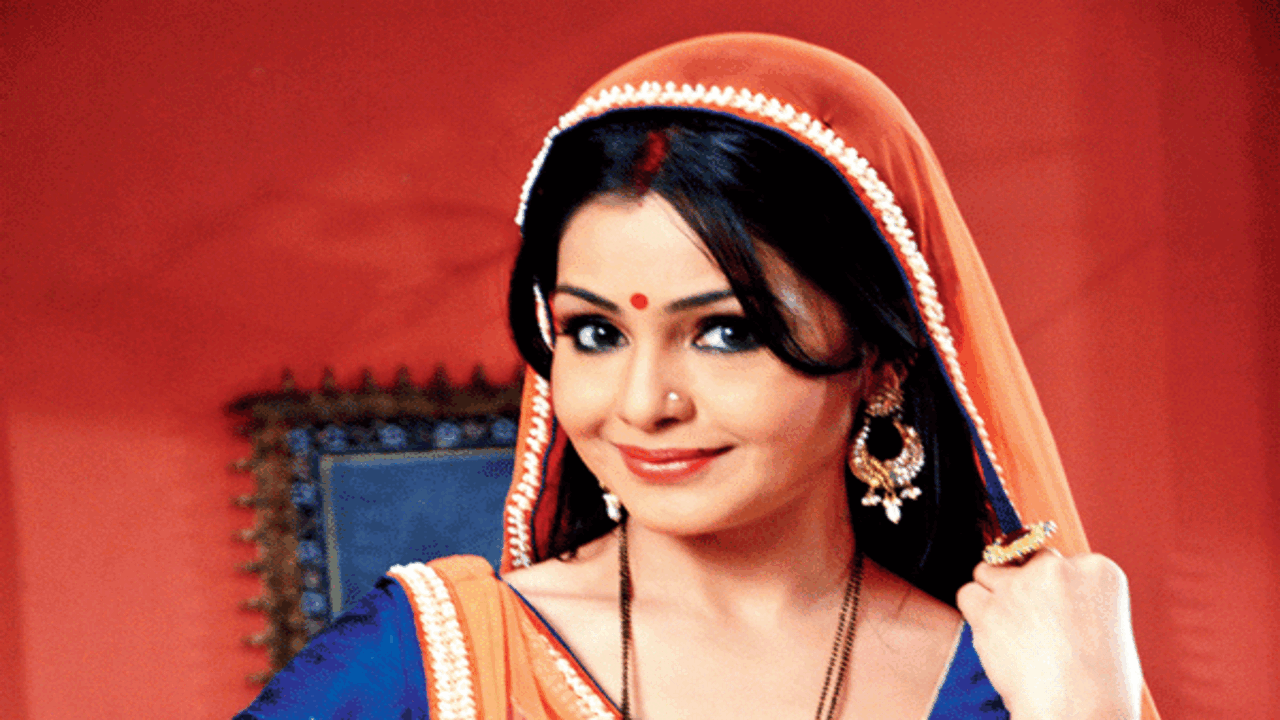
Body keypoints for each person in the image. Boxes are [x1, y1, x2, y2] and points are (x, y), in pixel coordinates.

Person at [236, 34, 1159, 720]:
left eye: (724, 333)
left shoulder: (1014, 684)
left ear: (881, 362)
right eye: (596, 332)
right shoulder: (427, 668)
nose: (644, 405)